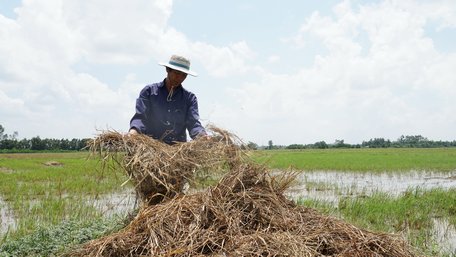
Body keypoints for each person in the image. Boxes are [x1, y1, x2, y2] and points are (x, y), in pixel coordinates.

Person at [129, 55, 206, 144]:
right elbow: (141, 117)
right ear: (167, 69)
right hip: (150, 147)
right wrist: (133, 132)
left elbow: (193, 123)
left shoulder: (189, 98)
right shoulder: (149, 92)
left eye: (184, 75)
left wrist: (202, 136)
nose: (180, 78)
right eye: (177, 73)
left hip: (176, 151)